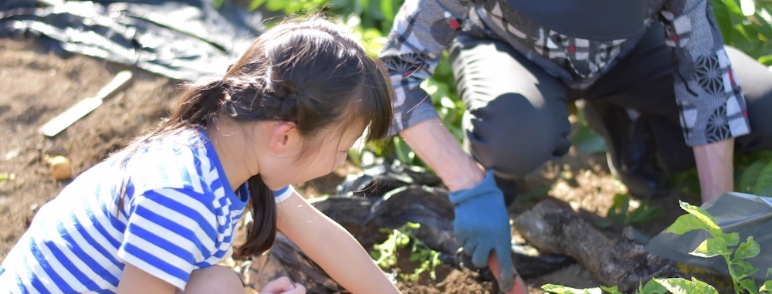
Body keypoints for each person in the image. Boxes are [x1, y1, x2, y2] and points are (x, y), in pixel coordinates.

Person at [379, 0, 772, 292]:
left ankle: (627, 121)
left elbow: (707, 84)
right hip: (511, 47)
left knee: (765, 107)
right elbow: (394, 75)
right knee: (513, 139)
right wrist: (467, 184)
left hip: (627, 52)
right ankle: (497, 161)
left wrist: (717, 226)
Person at [0, 16, 399, 294]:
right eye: (342, 149)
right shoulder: (181, 196)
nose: (339, 163)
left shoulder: (228, 145)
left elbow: (322, 236)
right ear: (285, 138)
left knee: (220, 285)